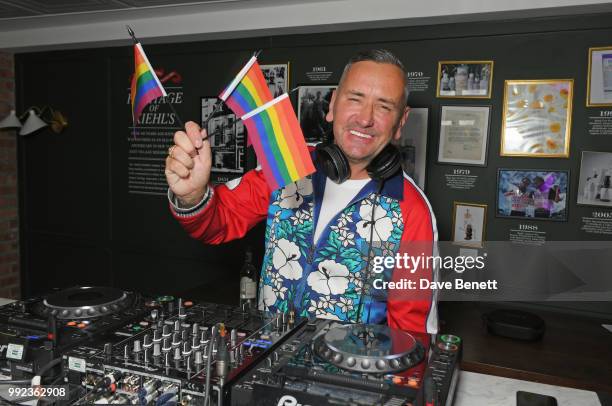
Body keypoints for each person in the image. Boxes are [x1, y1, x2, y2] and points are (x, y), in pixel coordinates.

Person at [164, 49, 438, 334]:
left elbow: (412, 336)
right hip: (265, 360)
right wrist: (192, 196)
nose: (365, 118)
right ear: (332, 105)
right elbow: (218, 221)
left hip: (351, 376)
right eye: (355, 98)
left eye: (384, 106)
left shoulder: (412, 210)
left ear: (400, 122)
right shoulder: (286, 164)